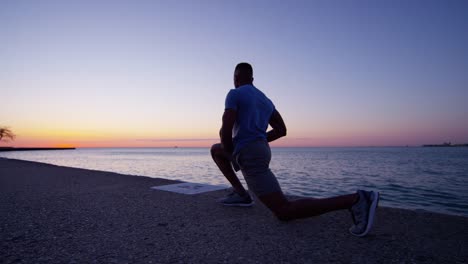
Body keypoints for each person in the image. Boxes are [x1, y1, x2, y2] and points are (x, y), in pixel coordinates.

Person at [211, 62, 379, 237]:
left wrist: (232, 149)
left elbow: (226, 126)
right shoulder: (265, 100)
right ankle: (241, 194)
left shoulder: (234, 93)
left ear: (236, 78)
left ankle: (356, 199)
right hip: (261, 150)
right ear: (252, 78)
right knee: (216, 150)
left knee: (284, 211)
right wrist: (256, 139)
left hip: (250, 155)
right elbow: (281, 130)